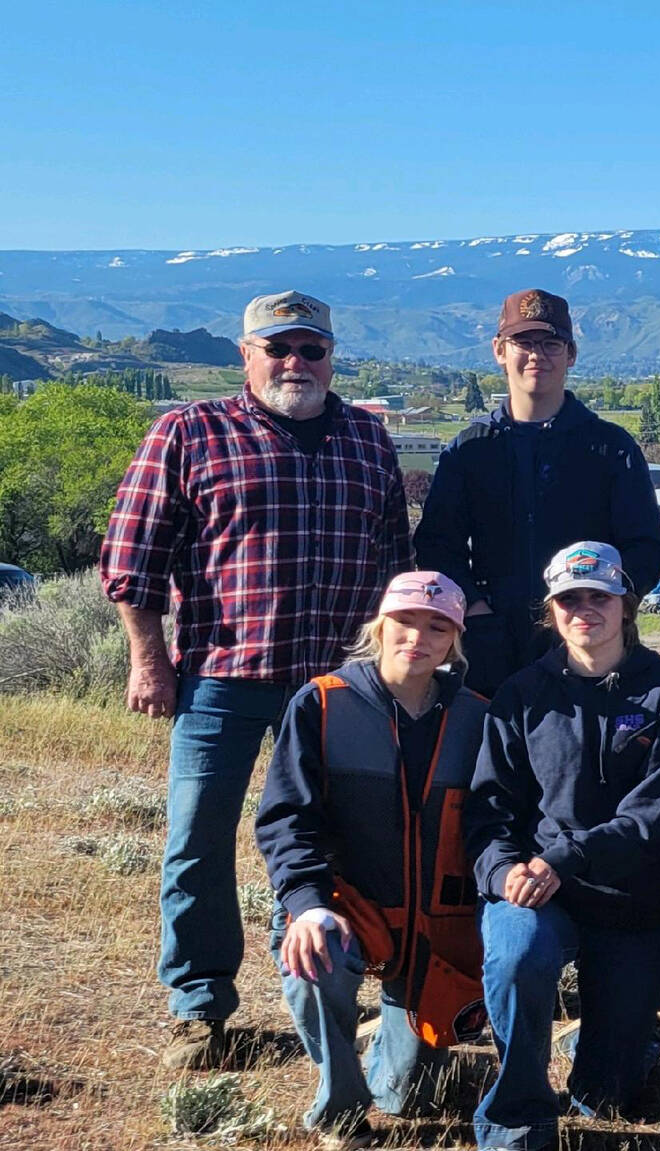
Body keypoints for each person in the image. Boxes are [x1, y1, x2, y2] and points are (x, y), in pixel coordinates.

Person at [100, 290, 412, 1069]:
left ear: (333, 356)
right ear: (246, 354)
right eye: (279, 348)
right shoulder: (188, 431)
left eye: (312, 349)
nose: (295, 363)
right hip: (221, 679)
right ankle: (200, 1005)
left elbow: (395, 574)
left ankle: (321, 995)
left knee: (335, 842)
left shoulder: (368, 441)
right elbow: (131, 558)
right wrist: (149, 659)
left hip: (336, 686)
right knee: (198, 840)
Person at [464, 542, 660, 1151]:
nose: (585, 609)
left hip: (629, 899)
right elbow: (489, 809)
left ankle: (618, 1044)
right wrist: (502, 872)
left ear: (627, 605)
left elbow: (652, 818)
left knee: (607, 1096)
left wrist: (562, 858)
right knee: (518, 957)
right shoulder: (520, 693)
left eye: (601, 597)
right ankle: (516, 1115)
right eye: (571, 599)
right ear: (551, 610)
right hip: (540, 892)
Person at [255, 571, 489, 1147]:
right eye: (405, 621)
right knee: (318, 957)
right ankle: (340, 1110)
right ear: (380, 627)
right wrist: (307, 904)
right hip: (346, 909)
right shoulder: (323, 702)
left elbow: (499, 822)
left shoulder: (479, 716)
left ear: (453, 641)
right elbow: (285, 819)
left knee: (411, 1098)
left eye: (437, 626)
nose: (418, 636)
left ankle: (389, 1041)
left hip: (440, 923)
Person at [414, 289, 660, 694]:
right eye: (524, 342)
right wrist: (476, 611)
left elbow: (647, 548)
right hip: (490, 646)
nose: (538, 355)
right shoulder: (469, 449)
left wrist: (601, 605)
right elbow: (436, 545)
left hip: (589, 646)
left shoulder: (611, 448)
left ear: (572, 354)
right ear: (499, 350)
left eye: (551, 343)